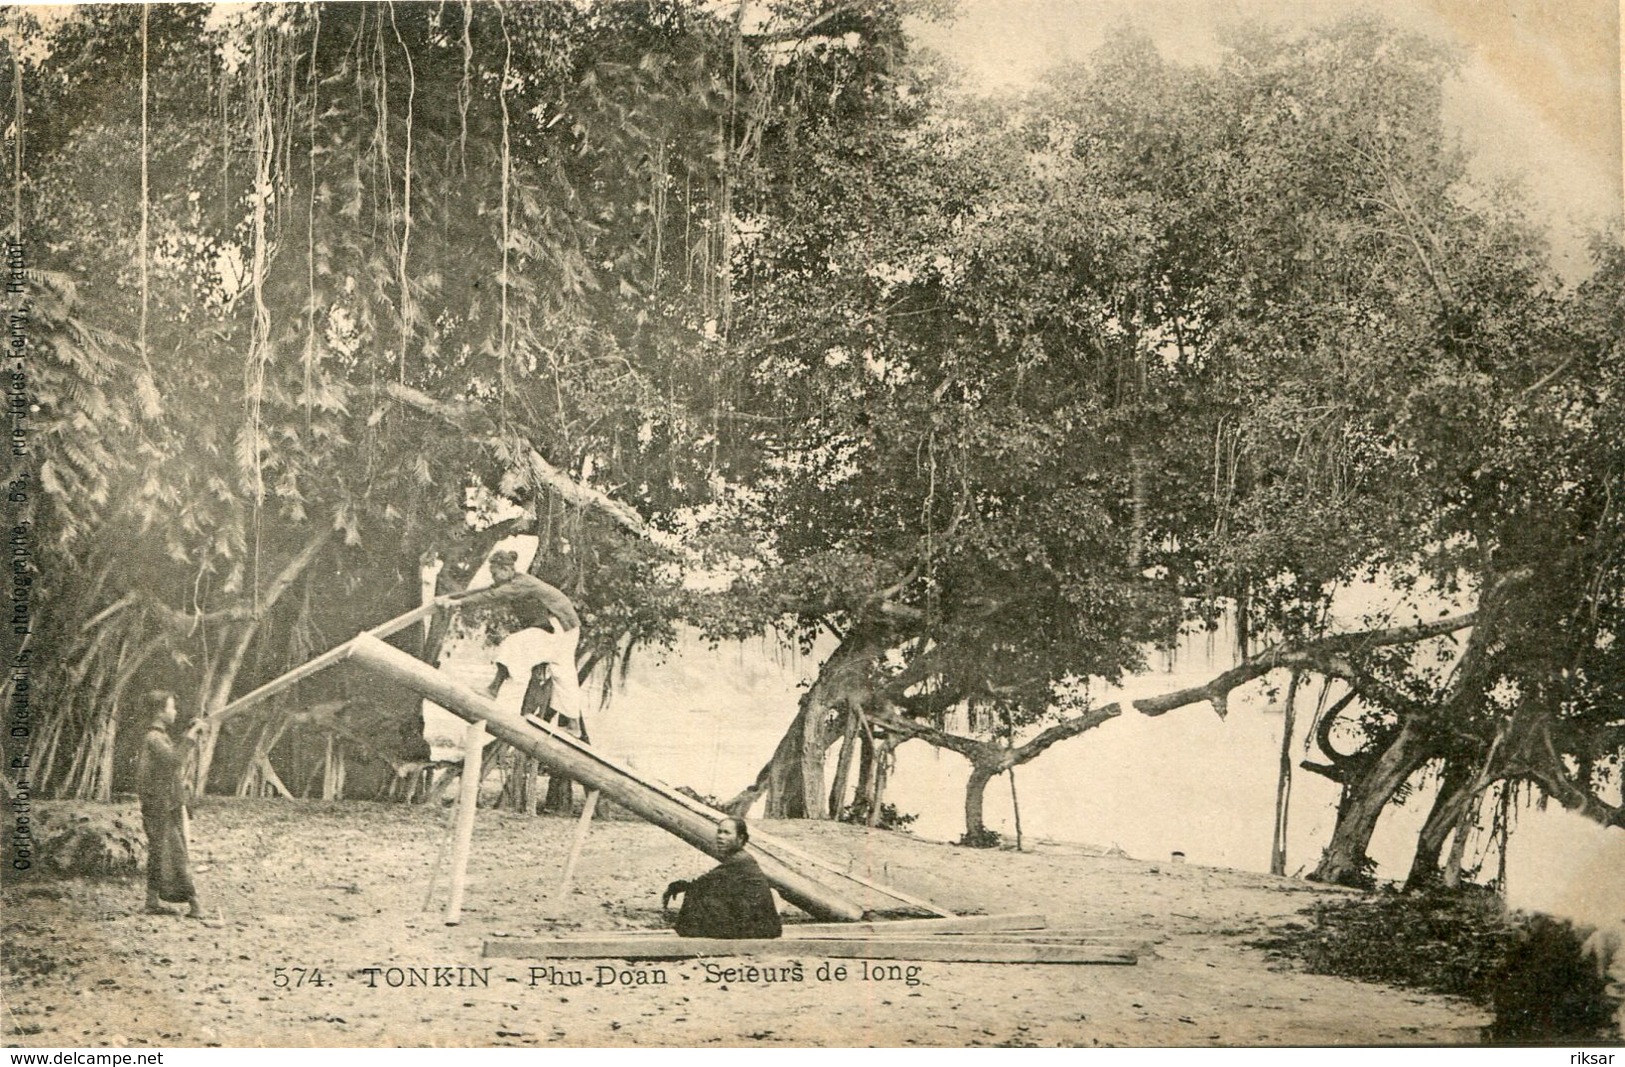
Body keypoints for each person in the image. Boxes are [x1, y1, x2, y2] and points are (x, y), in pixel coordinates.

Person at [437, 551, 582, 728]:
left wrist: (457, 603)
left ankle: (493, 689)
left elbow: (492, 595)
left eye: (495, 574)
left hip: (558, 626)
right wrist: (452, 598)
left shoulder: (521, 584)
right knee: (564, 675)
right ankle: (574, 725)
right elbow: (487, 590)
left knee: (514, 644)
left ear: (506, 569)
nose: (494, 578)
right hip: (567, 629)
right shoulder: (516, 580)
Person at [136, 691, 204, 918]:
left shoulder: (158, 737)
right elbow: (174, 760)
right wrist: (192, 735)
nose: (174, 711)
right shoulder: (154, 738)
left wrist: (188, 733)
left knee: (159, 852)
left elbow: (172, 756)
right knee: (176, 853)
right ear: (160, 711)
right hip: (160, 805)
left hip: (162, 803)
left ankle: (151, 901)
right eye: (171, 707)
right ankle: (195, 904)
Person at [661, 816, 783, 939]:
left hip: (762, 928)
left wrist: (676, 887)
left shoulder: (740, 860)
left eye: (726, 833)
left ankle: (689, 931)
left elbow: (704, 882)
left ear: (740, 838)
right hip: (765, 926)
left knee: (697, 894)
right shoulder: (739, 858)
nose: (720, 837)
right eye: (719, 832)